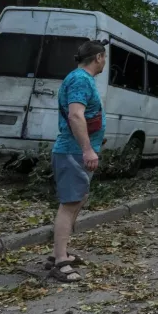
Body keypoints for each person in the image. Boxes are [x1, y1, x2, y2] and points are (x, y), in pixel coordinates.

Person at [48, 40, 108, 283]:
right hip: (72, 152)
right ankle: (60, 261)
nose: (105, 62)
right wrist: (87, 150)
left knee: (78, 199)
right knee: (70, 203)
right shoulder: (81, 80)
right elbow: (75, 115)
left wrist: (94, 142)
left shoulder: (79, 79)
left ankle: (58, 255)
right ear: (98, 58)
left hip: (76, 151)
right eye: (104, 57)